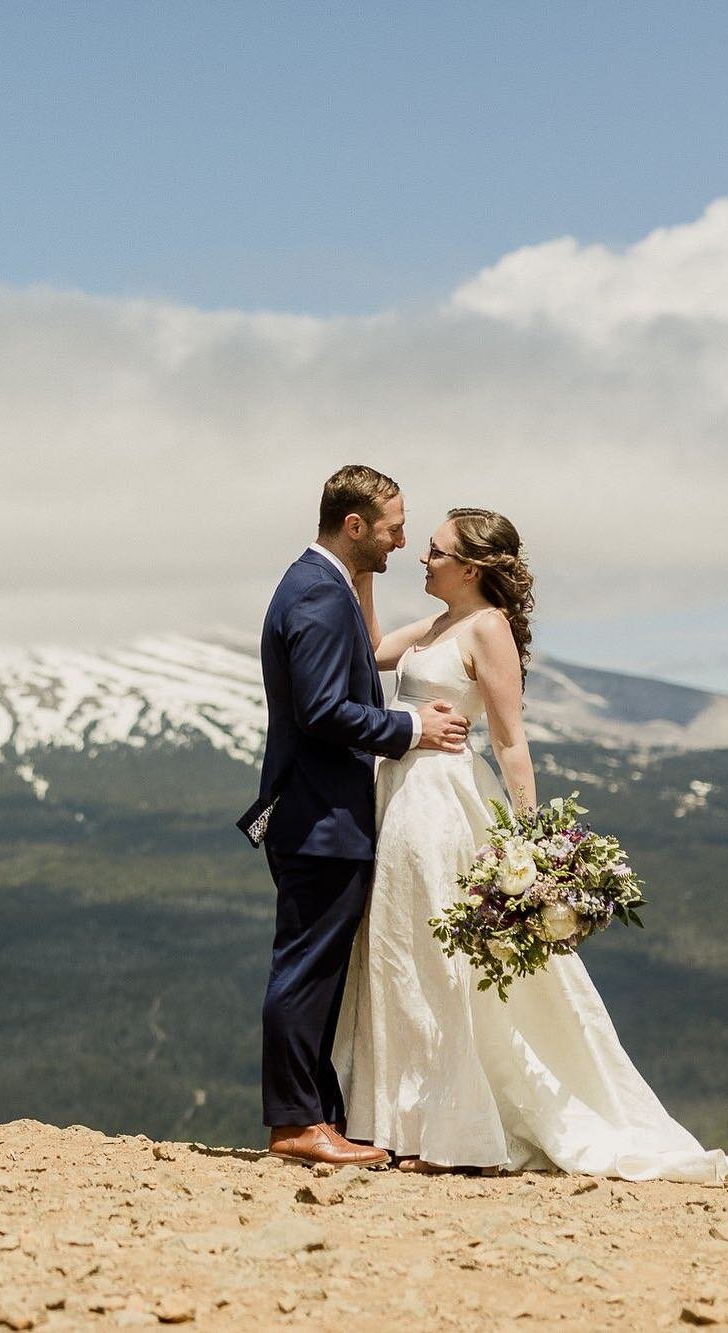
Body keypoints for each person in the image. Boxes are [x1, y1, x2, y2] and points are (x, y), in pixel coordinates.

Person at [332, 506, 728, 1183]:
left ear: (471, 567)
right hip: (397, 797)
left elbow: (510, 738)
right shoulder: (437, 625)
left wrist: (530, 844)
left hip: (442, 804)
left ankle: (453, 1130)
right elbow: (367, 652)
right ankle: (400, 1122)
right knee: (401, 955)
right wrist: (363, 574)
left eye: (434, 551)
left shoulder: (486, 628)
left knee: (438, 964)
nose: (422, 559)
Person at [241, 466, 471, 1168]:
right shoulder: (314, 593)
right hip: (317, 818)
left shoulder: (325, 584)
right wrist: (409, 727)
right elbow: (318, 710)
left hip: (327, 815)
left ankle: (321, 1116)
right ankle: (294, 1123)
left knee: (320, 971)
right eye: (394, 526)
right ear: (353, 525)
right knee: (305, 969)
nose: (403, 540)